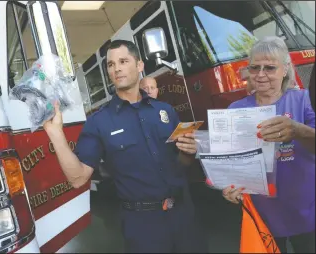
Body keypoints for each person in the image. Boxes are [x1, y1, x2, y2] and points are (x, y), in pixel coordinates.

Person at [44, 40, 207, 253]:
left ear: (139, 65)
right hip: (143, 226)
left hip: (184, 216)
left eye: (123, 61)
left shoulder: (165, 111)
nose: (116, 68)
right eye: (111, 65)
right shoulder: (99, 122)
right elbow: (78, 179)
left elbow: (181, 162)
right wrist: (56, 135)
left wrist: (190, 151)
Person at [222, 36, 315, 253]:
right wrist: (228, 184)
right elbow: (229, 160)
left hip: (307, 210)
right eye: (255, 68)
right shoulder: (235, 110)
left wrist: (297, 130)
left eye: (270, 68)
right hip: (262, 214)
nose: (261, 75)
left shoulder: (305, 100)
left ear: (285, 70)